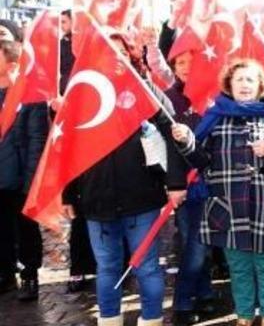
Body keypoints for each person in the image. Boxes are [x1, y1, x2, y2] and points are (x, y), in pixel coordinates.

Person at [62, 32, 187, 326]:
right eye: (106, 50)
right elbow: (67, 147)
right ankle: (109, 320)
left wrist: (175, 183)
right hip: (96, 197)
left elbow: (173, 135)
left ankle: (152, 319)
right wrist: (68, 193)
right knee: (107, 267)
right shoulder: (81, 94)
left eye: (120, 51)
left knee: (146, 266)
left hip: (141, 197)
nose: (113, 56)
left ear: (130, 56)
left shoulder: (145, 90)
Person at [172, 59, 264, 326]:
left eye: (250, 79)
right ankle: (244, 317)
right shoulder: (215, 117)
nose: (244, 84)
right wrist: (187, 141)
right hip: (228, 207)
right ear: (229, 84)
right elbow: (201, 160)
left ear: (260, 85)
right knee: (239, 268)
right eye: (239, 79)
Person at [162, 49, 217, 325]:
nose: (185, 67)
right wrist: (174, 183)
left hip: (214, 181)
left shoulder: (215, 94)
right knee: (193, 246)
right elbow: (168, 146)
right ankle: (183, 303)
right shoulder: (169, 99)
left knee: (205, 244)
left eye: (191, 62)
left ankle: (204, 292)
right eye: (180, 63)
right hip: (187, 185)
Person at [0, 38, 48, 301]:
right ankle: (6, 274)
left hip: (20, 179)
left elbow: (36, 141)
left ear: (11, 64)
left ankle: (30, 274)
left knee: (26, 229)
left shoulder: (30, 96)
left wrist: (31, 181)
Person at [57, 11, 98, 293]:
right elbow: (66, 145)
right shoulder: (72, 82)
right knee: (81, 220)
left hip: (112, 165)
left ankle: (115, 266)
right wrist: (67, 193)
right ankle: (79, 269)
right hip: (82, 165)